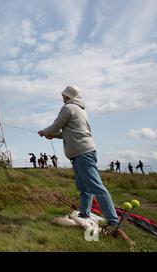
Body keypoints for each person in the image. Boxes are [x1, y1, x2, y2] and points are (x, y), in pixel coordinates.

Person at [38, 86, 121, 234]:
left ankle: (113, 221)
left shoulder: (68, 108)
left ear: (67, 96)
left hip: (82, 153)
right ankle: (84, 214)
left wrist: (45, 132)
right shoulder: (80, 110)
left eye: (63, 94)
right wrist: (54, 135)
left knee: (97, 187)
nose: (62, 97)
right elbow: (68, 132)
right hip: (82, 153)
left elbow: (56, 126)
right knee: (84, 188)